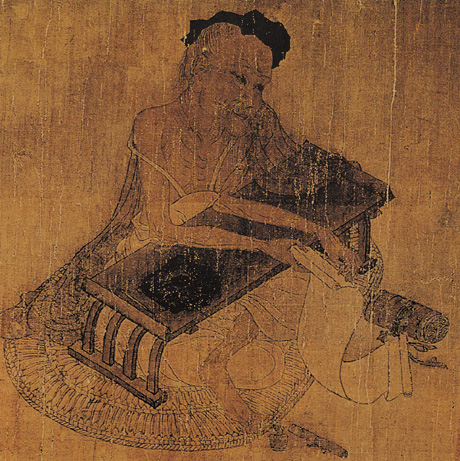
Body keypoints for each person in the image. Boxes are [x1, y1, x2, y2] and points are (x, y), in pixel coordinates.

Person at [1, 10, 415, 432]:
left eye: (258, 86)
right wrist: (262, 246)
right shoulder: (154, 123)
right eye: (238, 78)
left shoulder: (246, 126)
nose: (249, 98)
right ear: (199, 66)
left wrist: (317, 231)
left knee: (298, 283)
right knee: (189, 320)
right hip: (152, 249)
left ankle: (222, 360)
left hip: (217, 238)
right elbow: (163, 229)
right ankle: (214, 369)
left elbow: (235, 205)